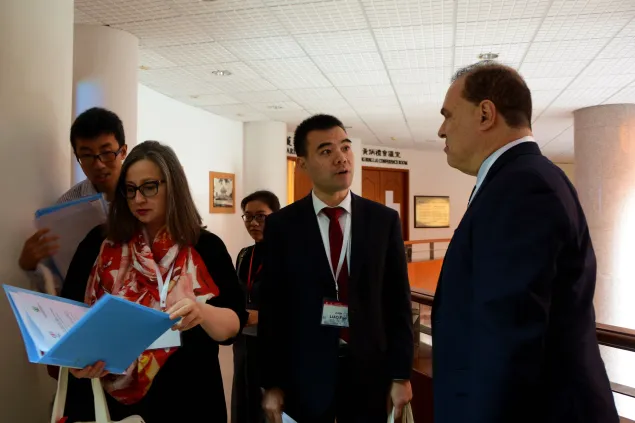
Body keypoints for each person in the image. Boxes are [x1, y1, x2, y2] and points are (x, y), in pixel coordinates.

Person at [432, 61, 618, 423]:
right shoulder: (521, 179)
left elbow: (509, 341)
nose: (441, 130)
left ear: (485, 113)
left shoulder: (522, 186)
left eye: (448, 115)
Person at [58, 141, 247, 423]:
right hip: (107, 400)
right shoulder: (98, 243)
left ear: (173, 186)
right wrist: (77, 359)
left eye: (149, 187)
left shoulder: (205, 247)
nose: (138, 199)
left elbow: (232, 327)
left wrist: (201, 311)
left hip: (188, 396)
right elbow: (69, 316)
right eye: (130, 189)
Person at [259, 114, 413, 423]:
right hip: (305, 373)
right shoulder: (282, 226)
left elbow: (398, 302)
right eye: (326, 151)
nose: (341, 158)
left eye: (345, 147)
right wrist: (272, 383)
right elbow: (273, 309)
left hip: (370, 371)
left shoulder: (383, 221)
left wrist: (401, 374)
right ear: (302, 164)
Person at [18, 107, 127, 293]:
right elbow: (60, 281)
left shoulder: (143, 195)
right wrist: (31, 266)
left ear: (123, 152)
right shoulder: (65, 209)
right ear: (77, 157)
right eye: (87, 155)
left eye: (107, 153)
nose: (98, 164)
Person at [232, 190, 281, 423]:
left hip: (273, 341)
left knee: (268, 407)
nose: (253, 223)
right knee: (244, 401)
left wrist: (263, 316)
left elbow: (296, 304)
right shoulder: (244, 255)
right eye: (248, 216)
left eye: (261, 216)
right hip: (243, 342)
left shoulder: (286, 256)